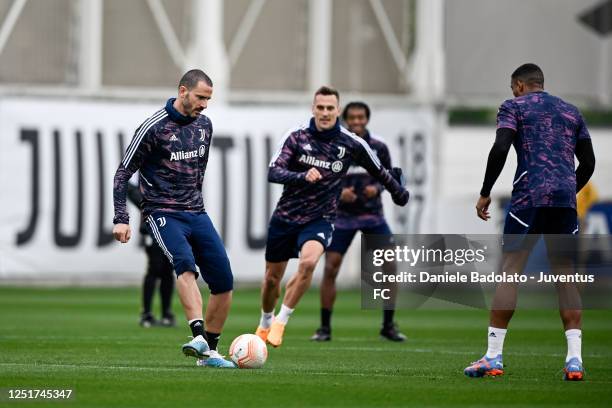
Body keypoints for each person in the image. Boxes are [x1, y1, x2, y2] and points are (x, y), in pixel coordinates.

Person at [465, 63, 595, 380]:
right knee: (566, 274)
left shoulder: (514, 106)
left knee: (510, 270)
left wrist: (485, 192)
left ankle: (493, 357)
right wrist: (565, 190)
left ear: (520, 86)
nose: (512, 93)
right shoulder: (571, 111)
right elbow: (589, 162)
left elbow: (500, 147)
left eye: (513, 88)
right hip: (565, 199)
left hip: (528, 194)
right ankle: (574, 359)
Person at [255, 86, 410, 348]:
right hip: (286, 216)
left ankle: (281, 321)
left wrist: (398, 191)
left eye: (330, 108)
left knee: (308, 264)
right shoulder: (296, 137)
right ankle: (266, 321)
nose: (325, 113)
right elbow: (273, 172)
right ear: (313, 109)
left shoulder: (351, 142)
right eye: (320, 107)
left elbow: (379, 169)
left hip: (322, 217)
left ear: (337, 111)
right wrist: (301, 176)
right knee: (272, 279)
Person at [112, 69, 235, 368]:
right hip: (162, 211)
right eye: (200, 97)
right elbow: (123, 173)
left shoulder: (205, 125)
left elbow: (198, 173)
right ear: (183, 91)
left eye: (208, 99)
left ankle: (210, 353)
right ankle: (198, 334)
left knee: (224, 282)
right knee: (185, 266)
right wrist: (122, 217)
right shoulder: (153, 127)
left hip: (196, 212)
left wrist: (194, 203)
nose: (205, 104)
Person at [310, 101, 406, 342]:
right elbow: (322, 179)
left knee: (389, 268)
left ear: (367, 119)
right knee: (331, 268)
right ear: (345, 119)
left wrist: (376, 188)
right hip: (341, 216)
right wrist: (338, 192)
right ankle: (324, 328)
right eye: (351, 118)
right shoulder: (334, 146)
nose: (356, 122)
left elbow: (389, 177)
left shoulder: (378, 147)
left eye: (360, 117)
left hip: (372, 215)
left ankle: (388, 325)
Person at [126, 178, 175, 328]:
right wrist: (147, 203)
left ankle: (166, 313)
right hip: (152, 229)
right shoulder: (148, 179)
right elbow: (127, 186)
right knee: (154, 269)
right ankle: (146, 313)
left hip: (171, 229)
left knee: (168, 271)